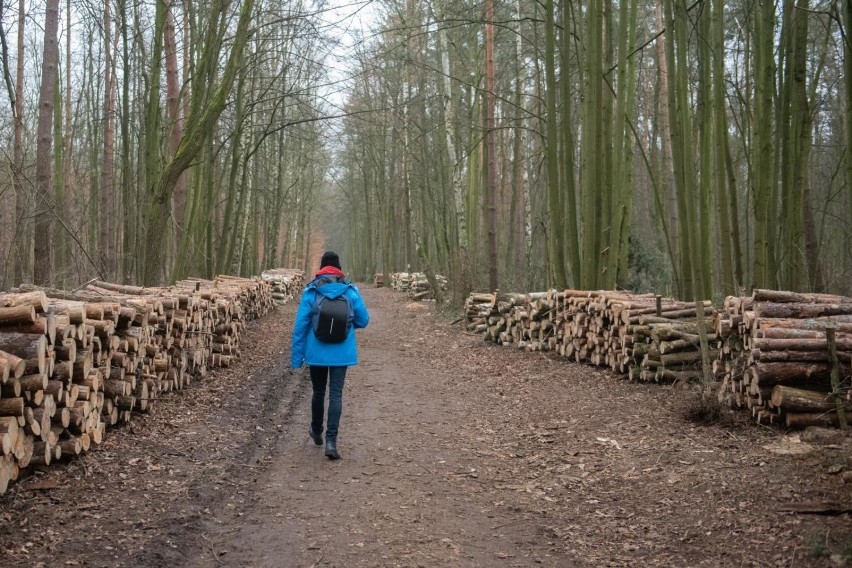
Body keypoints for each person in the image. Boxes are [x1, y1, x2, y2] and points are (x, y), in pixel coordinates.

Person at [290, 251, 370, 460]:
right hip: (342, 352)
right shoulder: (350, 291)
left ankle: (316, 431)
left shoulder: (312, 292)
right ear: (339, 268)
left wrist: (297, 358)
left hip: (316, 352)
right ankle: (331, 442)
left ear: (321, 268)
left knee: (318, 392)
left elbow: (300, 327)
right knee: (335, 395)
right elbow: (364, 320)